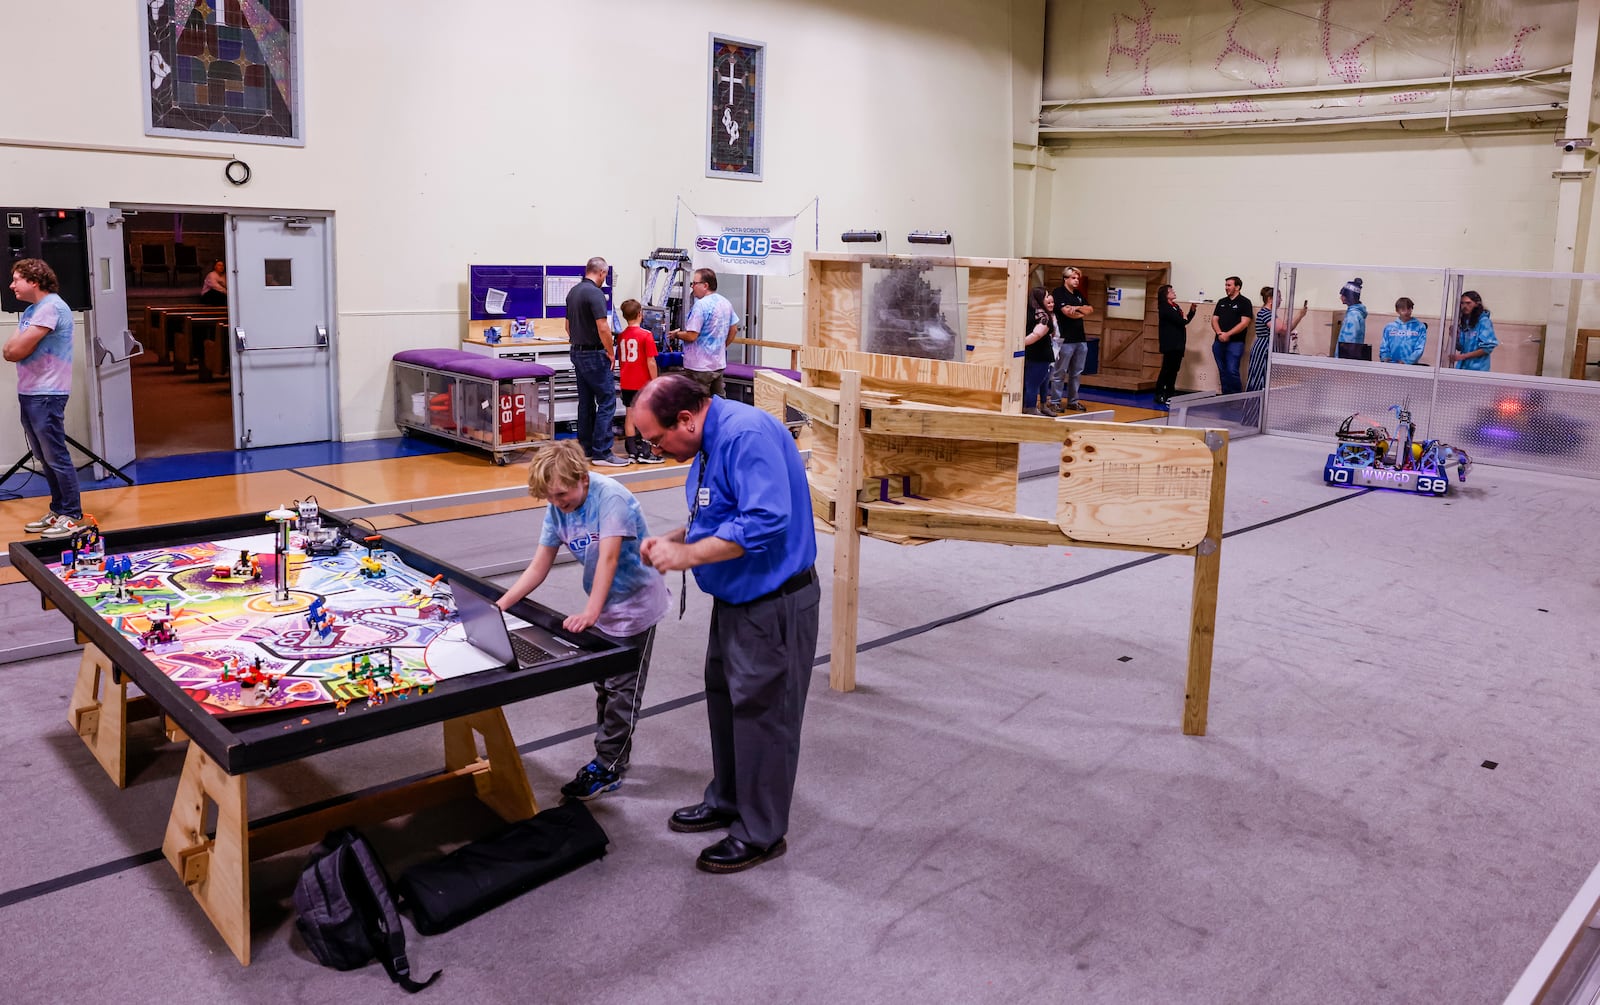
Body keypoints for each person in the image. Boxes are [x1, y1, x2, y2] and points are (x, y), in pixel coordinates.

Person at [633, 374, 819, 874]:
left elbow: (764, 520)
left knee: (764, 715)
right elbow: (716, 514)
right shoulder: (712, 443)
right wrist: (669, 540)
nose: (655, 449)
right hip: (738, 600)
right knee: (727, 703)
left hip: (773, 603)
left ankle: (761, 831)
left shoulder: (745, 435)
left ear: (687, 419)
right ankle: (730, 799)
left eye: (657, 439)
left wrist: (688, 554)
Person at [495, 440, 668, 800]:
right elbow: (540, 564)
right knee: (604, 683)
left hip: (636, 605)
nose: (558, 503)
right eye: (551, 498)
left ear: (582, 478)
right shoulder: (557, 506)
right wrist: (502, 604)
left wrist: (591, 611)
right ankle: (611, 752)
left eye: (562, 494)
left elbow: (608, 558)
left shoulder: (611, 498)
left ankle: (609, 765)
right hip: (603, 604)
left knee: (624, 690)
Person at [6, 259, 84, 541]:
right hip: (30, 391)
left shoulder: (51, 306)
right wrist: (15, 348)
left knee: (55, 455)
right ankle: (58, 509)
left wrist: (16, 349)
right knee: (43, 456)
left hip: (47, 393)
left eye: (16, 279)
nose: (12, 285)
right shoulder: (31, 310)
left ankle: (72, 514)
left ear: (34, 281)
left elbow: (16, 350)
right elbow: (10, 349)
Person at [565, 256, 626, 466]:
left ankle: (587, 449)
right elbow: (603, 328)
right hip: (594, 354)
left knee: (586, 402)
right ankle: (603, 452)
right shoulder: (596, 293)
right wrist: (611, 352)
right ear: (601, 273)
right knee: (607, 400)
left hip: (577, 352)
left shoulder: (573, 292)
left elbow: (567, 327)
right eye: (605, 276)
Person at [671, 268, 739, 398]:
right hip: (718, 364)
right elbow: (734, 329)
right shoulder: (725, 303)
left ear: (705, 285)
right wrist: (721, 347)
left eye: (694, 283)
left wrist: (677, 334)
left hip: (699, 367)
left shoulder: (701, 306)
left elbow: (692, 336)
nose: (692, 287)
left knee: (698, 405)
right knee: (718, 402)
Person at [614, 299, 665, 463]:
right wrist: (655, 381)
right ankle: (645, 451)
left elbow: (621, 360)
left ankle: (632, 451)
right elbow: (651, 361)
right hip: (642, 383)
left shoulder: (621, 336)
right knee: (646, 417)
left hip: (627, 382)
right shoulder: (646, 335)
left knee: (629, 415)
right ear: (640, 314)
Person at [1048, 266, 1093, 412]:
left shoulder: (1078, 294)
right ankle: (1055, 401)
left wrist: (1077, 308)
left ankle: (1073, 401)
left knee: (1076, 373)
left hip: (1080, 339)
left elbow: (1090, 309)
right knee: (1060, 372)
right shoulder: (1059, 293)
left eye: (1077, 278)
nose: (1076, 281)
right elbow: (1068, 313)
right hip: (1065, 340)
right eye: (1073, 278)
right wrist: (1080, 310)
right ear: (1065, 279)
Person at [1211, 276, 1252, 395]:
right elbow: (1214, 320)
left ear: (1237, 287)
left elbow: (1244, 323)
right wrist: (1220, 333)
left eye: (1229, 285)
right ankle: (1225, 395)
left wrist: (1228, 334)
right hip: (1219, 341)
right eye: (1226, 285)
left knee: (1232, 370)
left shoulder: (1245, 302)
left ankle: (1235, 396)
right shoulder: (1222, 302)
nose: (1226, 288)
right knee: (1222, 370)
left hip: (1235, 342)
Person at [1154, 284, 1194, 405]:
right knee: (1166, 369)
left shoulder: (1176, 307)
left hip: (1178, 344)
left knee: (1174, 370)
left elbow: (1184, 321)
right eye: (1171, 291)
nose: (1173, 292)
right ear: (1165, 295)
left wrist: (1192, 311)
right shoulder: (1165, 308)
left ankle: (1170, 393)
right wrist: (1186, 317)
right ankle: (1159, 393)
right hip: (1170, 344)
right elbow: (1181, 321)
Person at [1022, 288, 1058, 415]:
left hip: (1029, 353)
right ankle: (1031, 408)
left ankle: (1036, 406)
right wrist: (1018, 344)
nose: (1048, 299)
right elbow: (1036, 334)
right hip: (1040, 355)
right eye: (1046, 296)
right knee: (1033, 383)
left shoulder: (1028, 312)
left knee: (1034, 383)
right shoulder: (1043, 316)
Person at [1450, 290, 1498, 371]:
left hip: (1478, 369)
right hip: (1463, 367)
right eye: (1462, 303)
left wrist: (1463, 356)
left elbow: (1487, 348)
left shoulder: (1484, 322)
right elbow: (1461, 347)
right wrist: (1455, 336)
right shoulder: (1465, 322)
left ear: (1476, 304)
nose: (1464, 306)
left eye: (1468, 303)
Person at [1380, 297, 1428, 365]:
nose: (1407, 312)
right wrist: (1385, 358)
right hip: (1390, 365)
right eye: (1403, 309)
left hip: (1410, 367)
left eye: (1409, 309)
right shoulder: (1389, 327)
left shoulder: (1420, 327)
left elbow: (1419, 349)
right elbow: (1384, 346)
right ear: (1397, 310)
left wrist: (1407, 361)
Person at [1337, 278, 1368, 346]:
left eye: (1342, 295)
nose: (1340, 298)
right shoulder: (1357, 313)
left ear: (1349, 297)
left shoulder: (1353, 315)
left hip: (1346, 354)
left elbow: (1348, 343)